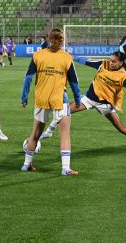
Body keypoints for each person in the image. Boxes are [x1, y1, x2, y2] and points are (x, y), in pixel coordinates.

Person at [44, 51, 126, 152]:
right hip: (88, 99)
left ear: (120, 63)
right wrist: (70, 56)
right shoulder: (103, 64)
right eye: (110, 60)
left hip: (105, 105)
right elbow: (85, 61)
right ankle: (48, 132)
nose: (111, 63)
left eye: (114, 61)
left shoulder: (123, 75)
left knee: (121, 128)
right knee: (65, 110)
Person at [20, 29, 81, 175]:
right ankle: (65, 168)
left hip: (41, 99)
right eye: (59, 39)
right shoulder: (66, 58)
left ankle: (26, 165)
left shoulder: (38, 55)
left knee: (35, 133)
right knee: (65, 133)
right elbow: (74, 82)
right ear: (56, 40)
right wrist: (78, 99)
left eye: (60, 39)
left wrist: (24, 98)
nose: (59, 42)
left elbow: (28, 78)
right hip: (59, 99)